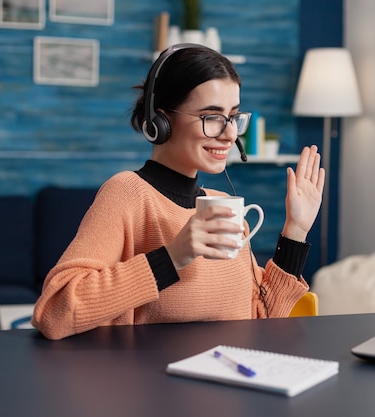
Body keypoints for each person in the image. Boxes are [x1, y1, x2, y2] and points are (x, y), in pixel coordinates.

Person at [31, 44, 325, 340]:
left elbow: (261, 319)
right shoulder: (127, 194)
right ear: (162, 122)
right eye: (212, 117)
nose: (231, 134)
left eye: (234, 116)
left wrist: (295, 230)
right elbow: (54, 313)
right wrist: (171, 257)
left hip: (231, 379)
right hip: (158, 384)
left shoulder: (223, 205)